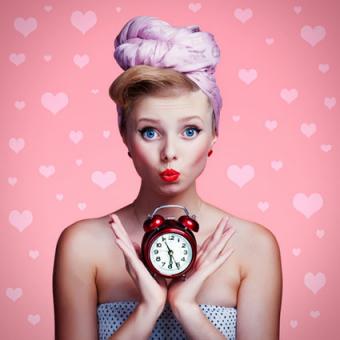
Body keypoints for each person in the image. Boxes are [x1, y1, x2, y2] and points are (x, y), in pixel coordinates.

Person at [53, 16, 283, 340]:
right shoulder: (83, 246)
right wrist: (147, 311)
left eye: (190, 130)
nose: (169, 152)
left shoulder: (253, 247)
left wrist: (187, 310)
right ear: (125, 136)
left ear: (214, 135)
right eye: (150, 132)